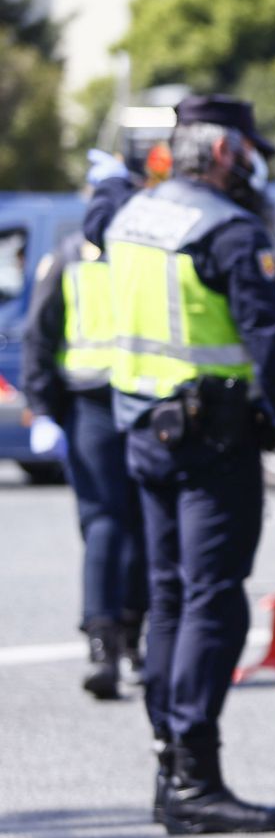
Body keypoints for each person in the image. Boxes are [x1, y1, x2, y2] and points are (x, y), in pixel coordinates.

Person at [88, 94, 275, 835]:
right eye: (249, 150)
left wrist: (113, 175)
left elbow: (101, 207)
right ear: (225, 152)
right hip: (212, 443)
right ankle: (196, 781)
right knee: (214, 600)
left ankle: (172, 765)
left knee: (169, 598)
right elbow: (274, 350)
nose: (255, 165)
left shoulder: (132, 216)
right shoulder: (229, 233)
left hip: (143, 433)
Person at [21, 154, 150, 700]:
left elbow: (37, 335)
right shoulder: (88, 256)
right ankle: (115, 639)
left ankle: (119, 638)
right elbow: (39, 337)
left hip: (124, 403)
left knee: (119, 524)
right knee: (122, 523)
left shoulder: (83, 254)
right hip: (108, 403)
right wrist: (45, 410)